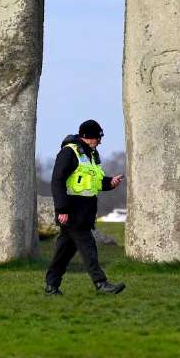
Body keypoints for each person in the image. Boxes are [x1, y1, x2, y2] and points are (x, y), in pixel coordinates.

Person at [44, 119, 126, 295]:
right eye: (97, 137)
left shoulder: (92, 155)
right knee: (89, 248)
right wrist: (62, 210)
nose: (100, 141)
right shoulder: (68, 153)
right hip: (72, 212)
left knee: (63, 253)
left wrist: (109, 182)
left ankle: (51, 286)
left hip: (86, 212)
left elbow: (94, 182)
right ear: (87, 136)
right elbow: (57, 182)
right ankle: (101, 283)